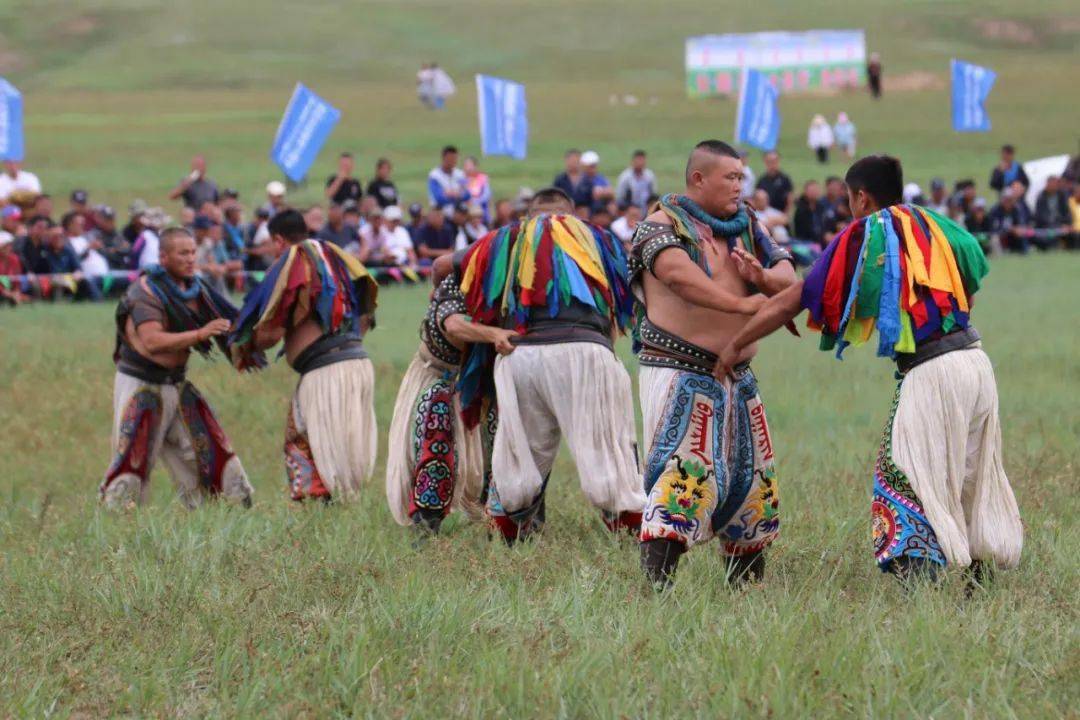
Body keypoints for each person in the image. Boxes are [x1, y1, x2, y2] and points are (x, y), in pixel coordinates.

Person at [718, 154, 1023, 585]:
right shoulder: (938, 226)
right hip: (975, 361)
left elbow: (797, 298)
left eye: (848, 199)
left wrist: (734, 345)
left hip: (933, 370)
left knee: (904, 472)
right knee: (970, 472)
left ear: (861, 197)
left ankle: (918, 584)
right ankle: (981, 579)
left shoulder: (867, 234)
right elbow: (973, 268)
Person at [628, 140, 795, 588]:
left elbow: (787, 276)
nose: (739, 186)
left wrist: (760, 278)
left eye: (742, 177)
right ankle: (655, 591)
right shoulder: (657, 227)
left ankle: (745, 592)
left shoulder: (748, 225)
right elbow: (682, 279)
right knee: (680, 482)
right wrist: (745, 309)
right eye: (731, 177)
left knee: (755, 488)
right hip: (681, 372)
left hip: (738, 378)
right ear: (698, 178)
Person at [455, 187, 645, 543]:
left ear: (529, 214)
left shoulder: (506, 238)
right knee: (608, 450)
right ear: (573, 214)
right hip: (585, 354)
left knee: (521, 454)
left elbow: (440, 266)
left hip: (521, 357)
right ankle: (638, 542)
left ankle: (508, 542)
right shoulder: (598, 237)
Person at [228, 209, 379, 503]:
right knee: (343, 449)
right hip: (359, 364)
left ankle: (321, 514)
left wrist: (244, 342)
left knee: (307, 444)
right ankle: (338, 514)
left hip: (326, 373)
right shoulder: (337, 257)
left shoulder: (296, 262)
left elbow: (270, 334)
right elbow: (367, 313)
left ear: (278, 241)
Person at [100, 226, 254, 508]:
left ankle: (213, 516)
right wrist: (199, 334)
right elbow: (152, 341)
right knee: (133, 462)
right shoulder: (143, 292)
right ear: (163, 257)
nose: (190, 258)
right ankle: (118, 528)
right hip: (141, 386)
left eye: (193, 252)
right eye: (183, 253)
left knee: (205, 451)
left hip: (176, 384)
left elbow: (232, 324)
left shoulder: (196, 288)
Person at [386, 262, 518, 535]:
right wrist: (494, 334)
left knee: (498, 448)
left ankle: (500, 525)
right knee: (436, 443)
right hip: (438, 379)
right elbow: (454, 325)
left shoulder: (518, 287)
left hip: (483, 387)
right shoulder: (461, 278)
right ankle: (426, 525)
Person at [40, 223, 102, 301]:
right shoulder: (44, 251)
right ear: (49, 237)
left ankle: (97, 302)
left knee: (86, 280)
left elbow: (78, 268)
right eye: (55, 237)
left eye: (61, 236)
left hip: (69, 280)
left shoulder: (68, 250)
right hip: (50, 281)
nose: (58, 239)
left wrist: (77, 273)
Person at [989, 186, 1032, 253]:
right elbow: (994, 227)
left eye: (1010, 199)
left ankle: (1024, 251)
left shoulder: (1016, 209)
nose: (1008, 202)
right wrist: (1010, 229)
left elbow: (1020, 223)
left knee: (1023, 233)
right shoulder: (995, 210)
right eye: (1006, 199)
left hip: (1013, 235)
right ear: (1002, 199)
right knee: (995, 238)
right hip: (1000, 234)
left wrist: (1019, 229)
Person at [1034, 175, 1071, 249]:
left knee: (1072, 234)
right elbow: (1040, 216)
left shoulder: (1062, 195)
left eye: (1055, 184)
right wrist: (1054, 225)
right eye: (1051, 184)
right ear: (1047, 184)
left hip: (1060, 224)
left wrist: (1066, 223)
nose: (1054, 186)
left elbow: (1066, 212)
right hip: (1046, 226)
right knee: (1046, 236)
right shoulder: (1041, 197)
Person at [792, 180, 832, 248]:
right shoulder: (801, 209)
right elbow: (805, 231)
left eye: (816, 190)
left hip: (821, 241)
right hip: (805, 242)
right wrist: (823, 236)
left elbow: (824, 225)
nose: (814, 192)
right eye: (812, 190)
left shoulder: (821, 207)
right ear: (805, 192)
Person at [427, 146, 469, 210]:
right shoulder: (434, 176)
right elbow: (439, 198)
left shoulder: (461, 174)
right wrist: (458, 194)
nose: (453, 161)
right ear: (443, 158)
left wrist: (450, 194)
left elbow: (467, 194)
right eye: (451, 159)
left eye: (455, 158)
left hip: (459, 211)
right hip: (441, 211)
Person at [90, 205, 129, 270]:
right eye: (107, 219)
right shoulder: (94, 234)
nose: (110, 222)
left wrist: (114, 250)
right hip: (103, 272)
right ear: (100, 219)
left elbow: (127, 250)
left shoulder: (117, 234)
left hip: (119, 270)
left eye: (112, 219)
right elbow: (101, 254)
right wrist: (114, 250)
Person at [0, 231, 29, 304]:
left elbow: (17, 278)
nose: (8, 248)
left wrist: (16, 291)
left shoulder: (14, 259)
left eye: (9, 245)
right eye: (5, 245)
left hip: (10, 290)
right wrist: (7, 293)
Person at [463, 157, 492, 222]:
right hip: (467, 213)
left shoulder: (483, 178)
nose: (468, 168)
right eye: (466, 166)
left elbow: (486, 195)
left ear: (475, 166)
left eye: (470, 165)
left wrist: (474, 202)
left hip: (482, 213)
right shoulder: (462, 180)